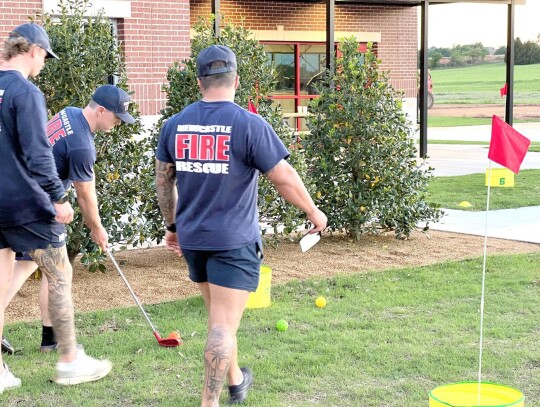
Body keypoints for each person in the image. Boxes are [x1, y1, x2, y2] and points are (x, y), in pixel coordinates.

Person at [155, 45, 327, 406]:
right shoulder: (249, 124)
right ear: (236, 80)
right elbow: (284, 177)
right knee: (222, 327)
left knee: (220, 320)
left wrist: (171, 226)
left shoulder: (174, 125)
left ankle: (236, 381)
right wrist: (314, 213)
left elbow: (163, 181)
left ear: (199, 81)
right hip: (233, 242)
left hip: (195, 240)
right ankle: (209, 402)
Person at [0, 23, 112, 393]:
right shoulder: (26, 92)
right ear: (33, 51)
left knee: (1, 282)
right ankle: (68, 360)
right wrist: (57, 197)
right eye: (45, 57)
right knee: (60, 273)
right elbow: (37, 151)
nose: (43, 65)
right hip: (24, 202)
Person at [1, 84, 136, 355]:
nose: (118, 124)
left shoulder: (70, 113)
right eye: (117, 118)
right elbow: (85, 196)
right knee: (59, 271)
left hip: (17, 193)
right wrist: (97, 228)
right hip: (37, 204)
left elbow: (83, 175)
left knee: (24, 267)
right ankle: (60, 347)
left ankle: (49, 338)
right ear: (101, 111)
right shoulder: (81, 145)